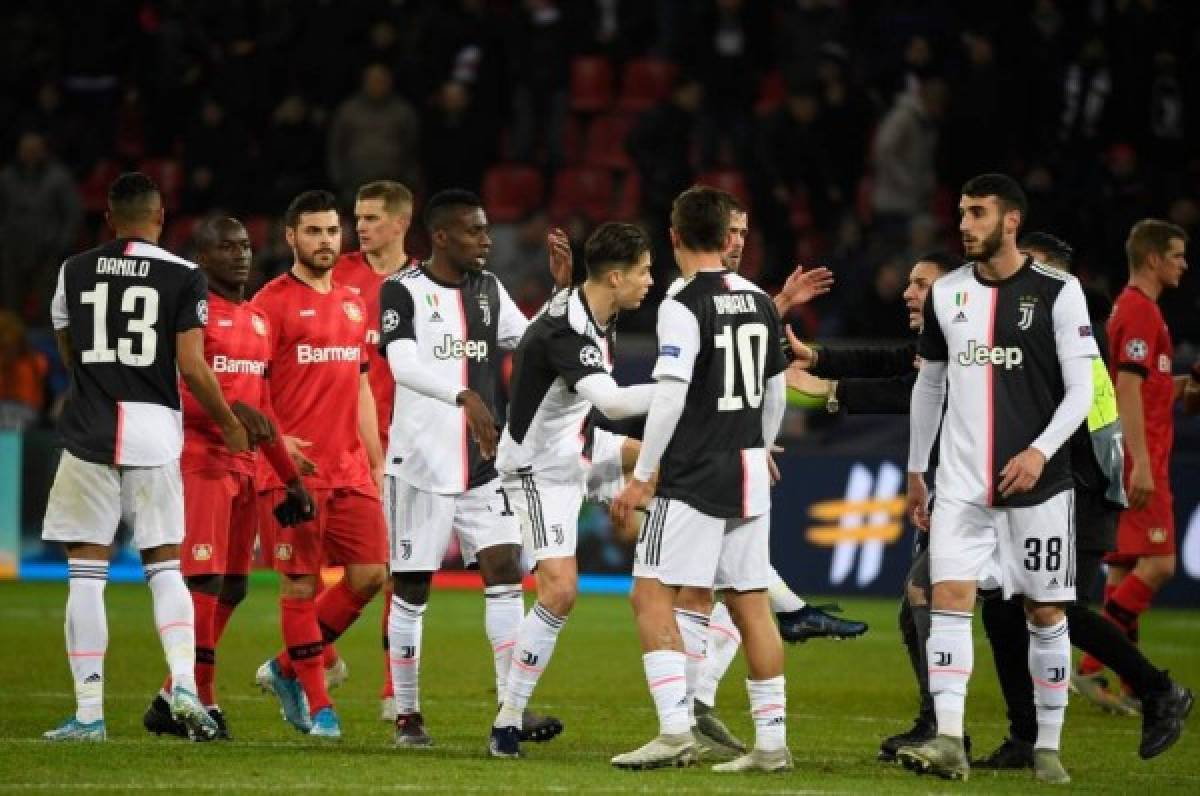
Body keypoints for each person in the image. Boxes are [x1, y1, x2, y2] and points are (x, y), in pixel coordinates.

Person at [40, 173, 253, 742]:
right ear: (161, 217)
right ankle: (183, 686)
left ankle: (89, 715)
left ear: (109, 218)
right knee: (164, 567)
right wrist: (231, 423)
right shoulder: (185, 275)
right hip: (155, 432)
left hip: (88, 431)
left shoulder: (74, 270)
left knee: (86, 575)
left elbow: (68, 347)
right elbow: (191, 365)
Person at [900, 174, 1098, 784]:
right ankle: (951, 740)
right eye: (961, 212)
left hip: (1039, 488)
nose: (965, 223)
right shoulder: (950, 293)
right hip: (961, 485)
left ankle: (1047, 745)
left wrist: (1039, 451)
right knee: (949, 599)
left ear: (1010, 221)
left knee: (1044, 612)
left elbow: (1082, 389)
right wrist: (916, 468)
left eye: (978, 213)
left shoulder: (1060, 292)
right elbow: (930, 383)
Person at [974, 231, 1193, 768]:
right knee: (1004, 609)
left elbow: (1092, 420)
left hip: (1082, 492)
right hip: (1060, 488)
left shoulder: (1070, 338)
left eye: (1034, 269)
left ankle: (1158, 688)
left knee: (1054, 608)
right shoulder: (1054, 334)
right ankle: (1025, 738)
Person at [676, 201, 867, 760]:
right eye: (727, 230)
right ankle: (731, 714)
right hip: (721, 457)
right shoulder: (700, 301)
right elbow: (714, 379)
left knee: (701, 592)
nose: (735, 240)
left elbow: (761, 374)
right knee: (736, 591)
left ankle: (688, 717)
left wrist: (757, 441)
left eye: (742, 231)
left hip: (727, 462)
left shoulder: (742, 299)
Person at [609, 186, 791, 773]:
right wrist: (761, 447)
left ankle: (674, 731)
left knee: (649, 593)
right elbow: (776, 387)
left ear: (676, 236)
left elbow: (670, 396)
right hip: (744, 469)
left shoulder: (683, 301)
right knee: (750, 605)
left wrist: (642, 477)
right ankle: (771, 745)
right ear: (726, 235)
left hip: (694, 473)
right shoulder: (761, 298)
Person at [378, 189, 565, 748]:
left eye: (486, 230)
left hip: (485, 465)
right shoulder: (402, 290)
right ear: (440, 236)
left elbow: (533, 340)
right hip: (421, 465)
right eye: (475, 231)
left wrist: (562, 293)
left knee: (506, 572)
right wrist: (462, 394)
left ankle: (510, 710)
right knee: (411, 589)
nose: (487, 240)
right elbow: (401, 363)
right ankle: (408, 715)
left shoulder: (489, 290)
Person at [140, 217, 315, 741]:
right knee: (205, 582)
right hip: (201, 461)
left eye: (244, 245)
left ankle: (174, 693)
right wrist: (229, 414)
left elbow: (264, 413)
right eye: (226, 247)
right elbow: (177, 393)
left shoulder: (257, 321)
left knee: (234, 587)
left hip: (245, 467)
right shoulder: (192, 319)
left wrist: (292, 480)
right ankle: (204, 705)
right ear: (201, 258)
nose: (241, 254)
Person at [783, 250, 960, 762]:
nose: (909, 292)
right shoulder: (937, 343)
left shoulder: (971, 346)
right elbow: (891, 359)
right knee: (920, 609)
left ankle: (951, 729)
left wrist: (832, 391)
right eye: (910, 282)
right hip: (951, 488)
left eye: (922, 285)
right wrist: (819, 357)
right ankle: (947, 724)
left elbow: (909, 390)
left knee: (931, 596)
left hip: (983, 492)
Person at [488, 222, 656, 758]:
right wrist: (687, 383)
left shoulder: (591, 311)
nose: (650, 281)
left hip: (576, 450)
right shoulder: (568, 329)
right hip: (537, 468)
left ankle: (772, 608)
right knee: (559, 592)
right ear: (614, 276)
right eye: (644, 271)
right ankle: (508, 720)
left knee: (689, 485)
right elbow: (617, 403)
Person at [251, 190, 389, 740]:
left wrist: (375, 459)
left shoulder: (354, 303)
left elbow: (359, 386)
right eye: (314, 232)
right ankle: (320, 705)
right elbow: (247, 384)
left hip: (350, 467)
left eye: (333, 231)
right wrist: (277, 439)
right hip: (292, 474)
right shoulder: (270, 303)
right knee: (300, 587)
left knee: (371, 575)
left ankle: (287, 666)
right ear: (291, 238)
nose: (326, 241)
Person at [1076, 221, 1190, 698]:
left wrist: (1183, 388)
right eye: (1178, 255)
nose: (1184, 264)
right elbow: (1127, 388)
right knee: (1160, 564)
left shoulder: (1138, 312)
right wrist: (1140, 463)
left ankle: (1126, 686)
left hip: (1137, 452)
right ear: (1152, 259)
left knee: (1122, 572)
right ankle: (1086, 665)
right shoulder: (1140, 314)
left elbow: (1148, 387)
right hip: (1142, 458)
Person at [332, 179, 415, 720]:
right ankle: (313, 654)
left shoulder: (423, 284)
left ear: (400, 223)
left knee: (394, 568)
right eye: (356, 217)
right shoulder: (336, 274)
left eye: (371, 217)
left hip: (401, 446)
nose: (359, 225)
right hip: (336, 442)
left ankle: (390, 687)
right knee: (314, 563)